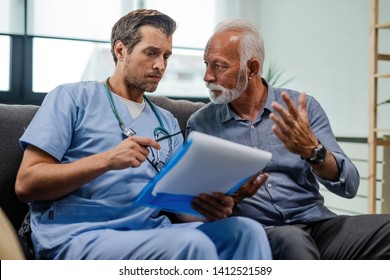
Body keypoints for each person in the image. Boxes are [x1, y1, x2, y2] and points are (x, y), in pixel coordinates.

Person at [15, 10, 272, 260]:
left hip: (151, 233)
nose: (160, 65)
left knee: (247, 232)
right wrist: (106, 160)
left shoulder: (167, 122)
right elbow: (26, 184)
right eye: (151, 53)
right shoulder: (72, 98)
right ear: (120, 51)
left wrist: (215, 206)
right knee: (191, 244)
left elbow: (183, 213)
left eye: (166, 56)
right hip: (78, 234)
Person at [187, 18, 390, 259]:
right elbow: (194, 205)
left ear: (251, 69)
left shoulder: (303, 108)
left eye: (219, 66)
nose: (207, 76)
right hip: (263, 233)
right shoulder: (201, 124)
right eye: (206, 65)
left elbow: (350, 186)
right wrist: (231, 195)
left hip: (318, 224)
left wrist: (314, 151)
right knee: (291, 238)